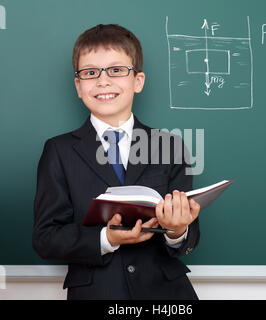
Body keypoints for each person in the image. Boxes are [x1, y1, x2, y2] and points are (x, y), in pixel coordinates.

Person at [32, 24, 201, 300]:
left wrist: (178, 229)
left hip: (166, 295)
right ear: (78, 86)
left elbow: (189, 237)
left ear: (138, 81)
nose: (103, 81)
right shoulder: (58, 151)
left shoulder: (170, 146)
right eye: (90, 73)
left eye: (116, 70)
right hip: (96, 292)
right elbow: (46, 238)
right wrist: (106, 240)